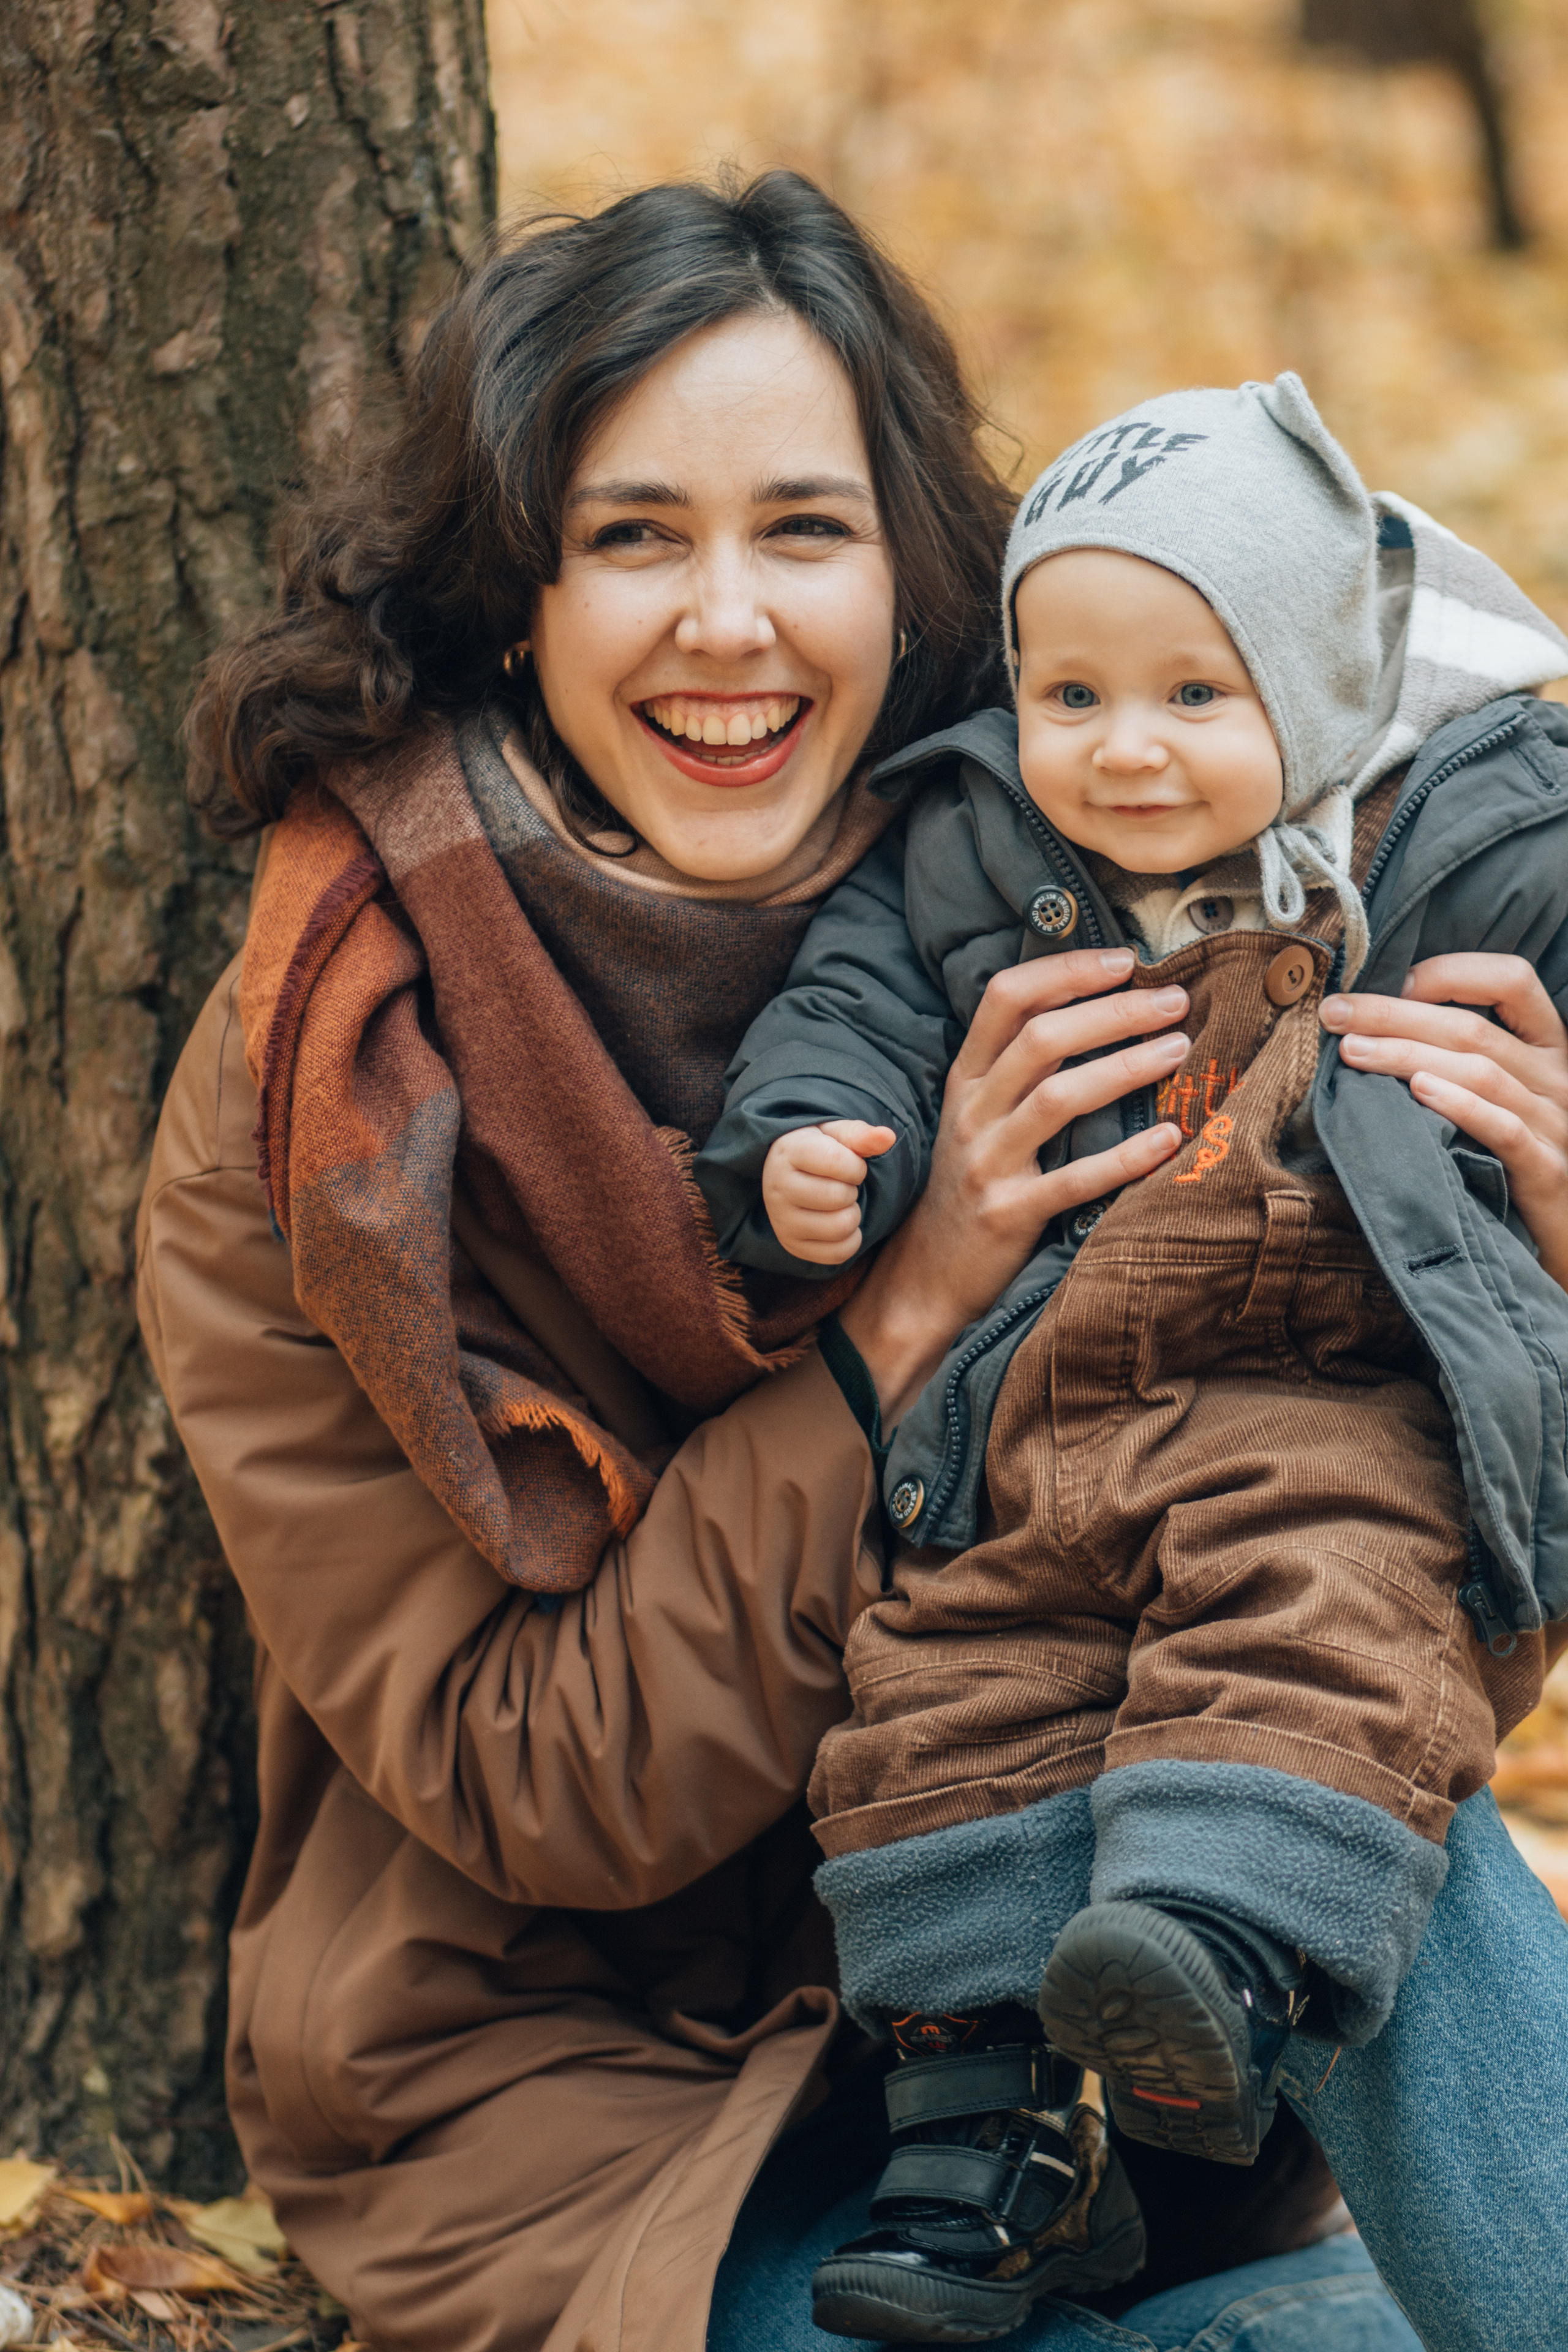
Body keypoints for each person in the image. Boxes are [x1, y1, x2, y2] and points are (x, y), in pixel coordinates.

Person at [136, 173, 1568, 2352]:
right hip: (610, 2124)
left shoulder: (1141, 891)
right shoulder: (332, 1091)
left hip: (1116, 2025)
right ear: (516, 597)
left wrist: (1518, 1279)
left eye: (803, 531)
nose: (729, 623)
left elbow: (1348, 1597)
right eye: (635, 539)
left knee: (1331, 1772)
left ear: (919, 587)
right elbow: (542, 1776)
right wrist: (910, 1318)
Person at [697, 373, 1568, 2342]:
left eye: (1196, 694)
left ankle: (1216, 1954)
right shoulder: (970, 844)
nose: (1125, 751)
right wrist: (811, 1149)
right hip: (1042, 1412)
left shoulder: (1476, 841)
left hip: (1316, 1406)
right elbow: (850, 1007)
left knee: (1312, 1627)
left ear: (1323, 686)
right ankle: (978, 2143)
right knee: (935, 1695)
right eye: (1071, 696)